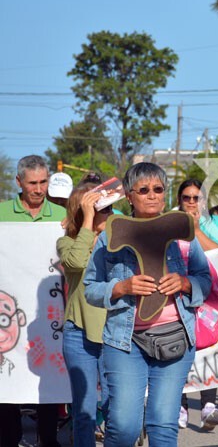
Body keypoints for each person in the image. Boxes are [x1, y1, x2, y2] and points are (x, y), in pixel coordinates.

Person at [84, 162, 211, 446]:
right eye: (144, 190)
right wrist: (121, 287)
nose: (152, 195)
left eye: (158, 189)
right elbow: (89, 289)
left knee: (163, 425)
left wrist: (185, 282)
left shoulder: (181, 231)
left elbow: (205, 280)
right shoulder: (110, 236)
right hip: (125, 342)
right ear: (129, 196)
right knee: (124, 427)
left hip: (175, 340)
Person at [0, 155, 66, 447]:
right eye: (32, 183)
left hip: (49, 313)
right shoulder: (2, 214)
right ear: (19, 183)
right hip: (11, 315)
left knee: (49, 380)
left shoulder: (61, 217)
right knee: (8, 381)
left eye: (43, 182)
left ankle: (48, 439)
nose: (39, 189)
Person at [58, 183, 112, 446]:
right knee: (84, 414)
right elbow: (77, 262)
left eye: (108, 207)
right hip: (78, 334)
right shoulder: (66, 242)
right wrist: (88, 220)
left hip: (115, 334)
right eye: (101, 209)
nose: (108, 213)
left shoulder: (118, 240)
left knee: (118, 411)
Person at [175, 179, 218, 430]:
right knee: (178, 346)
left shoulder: (213, 223)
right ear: (179, 200)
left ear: (204, 201)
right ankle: (181, 405)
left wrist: (196, 230)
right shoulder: (169, 222)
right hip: (177, 292)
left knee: (208, 345)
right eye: (187, 198)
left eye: (197, 198)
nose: (192, 202)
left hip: (208, 294)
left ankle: (208, 404)